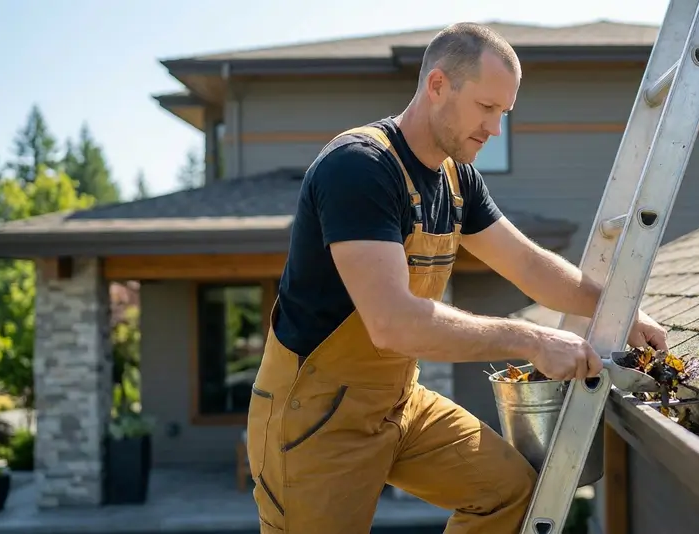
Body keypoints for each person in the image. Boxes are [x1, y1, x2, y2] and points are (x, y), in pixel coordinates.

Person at [246, 22, 669, 534]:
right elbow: (393, 324)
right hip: (315, 418)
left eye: (504, 114)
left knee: (509, 492)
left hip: (398, 402)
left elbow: (530, 266)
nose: (495, 128)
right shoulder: (359, 168)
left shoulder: (456, 177)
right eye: (486, 108)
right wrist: (531, 339)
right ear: (438, 85)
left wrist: (621, 314)